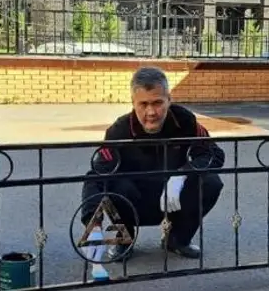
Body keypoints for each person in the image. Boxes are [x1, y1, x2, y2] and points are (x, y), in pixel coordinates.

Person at [80, 66, 225, 263]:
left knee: (210, 182)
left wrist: (183, 174)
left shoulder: (185, 120)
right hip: (135, 201)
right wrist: (93, 225)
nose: (151, 112)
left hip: (173, 200)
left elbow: (214, 154)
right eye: (143, 104)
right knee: (113, 183)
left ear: (169, 100)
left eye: (158, 103)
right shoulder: (119, 131)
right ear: (133, 103)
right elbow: (96, 177)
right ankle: (124, 239)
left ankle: (177, 239)